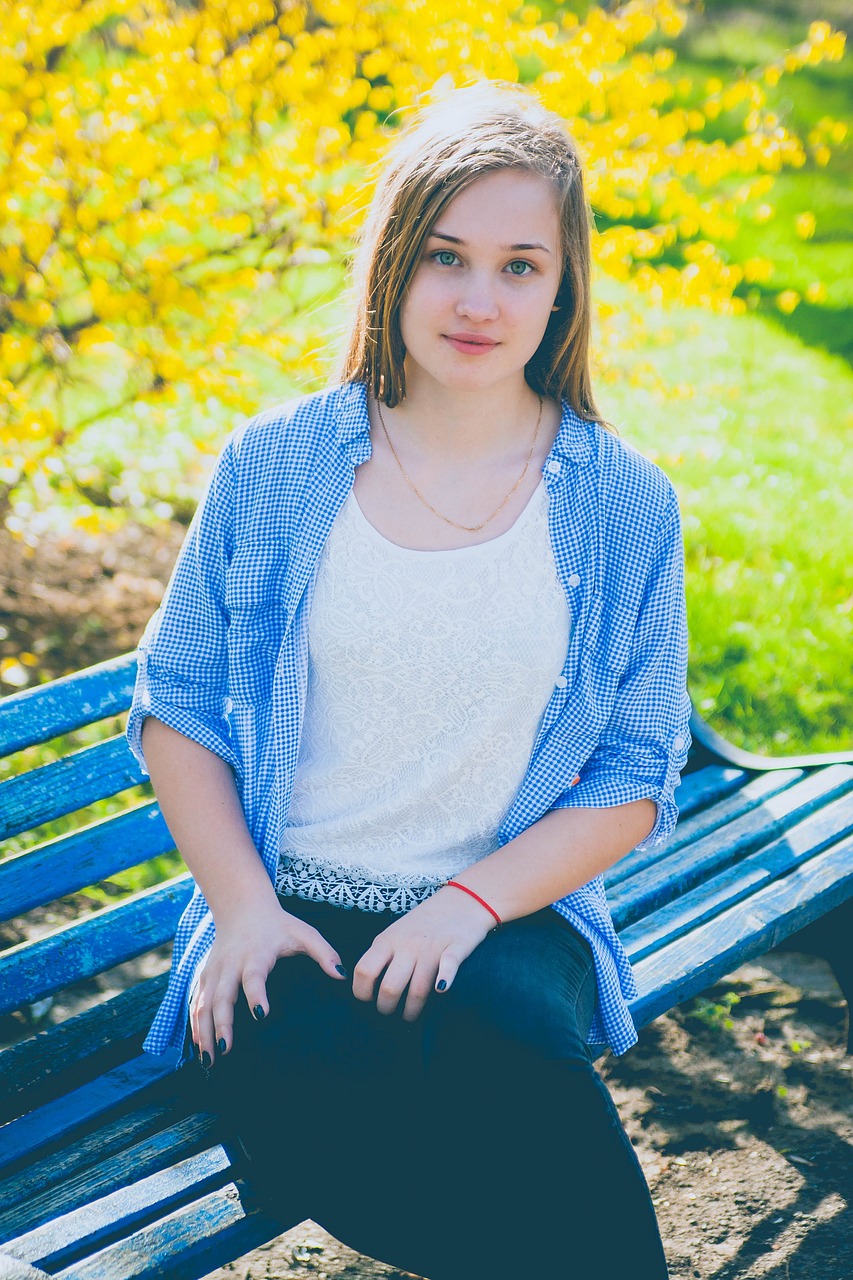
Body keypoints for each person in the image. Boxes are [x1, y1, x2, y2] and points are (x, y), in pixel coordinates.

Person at [127, 80, 690, 1280]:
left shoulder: (623, 504)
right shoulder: (279, 465)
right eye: (446, 256)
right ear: (393, 260)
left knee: (509, 1049)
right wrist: (240, 908)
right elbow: (177, 701)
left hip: (500, 915)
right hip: (289, 914)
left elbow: (637, 770)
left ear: (564, 283)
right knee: (320, 1085)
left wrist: (468, 905)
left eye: (520, 265)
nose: (480, 301)